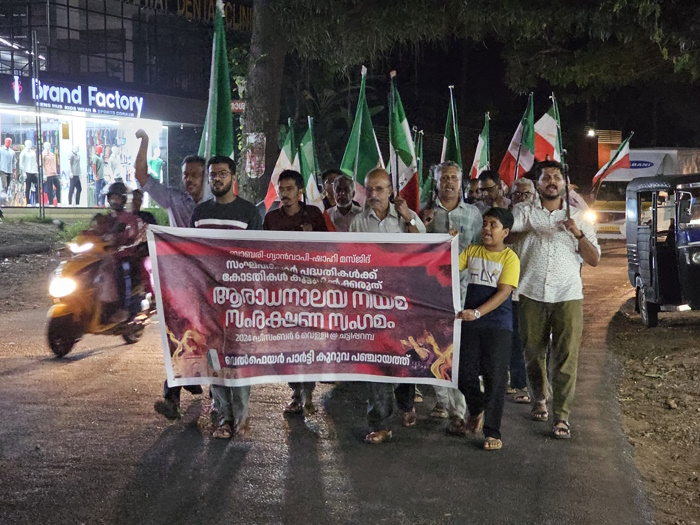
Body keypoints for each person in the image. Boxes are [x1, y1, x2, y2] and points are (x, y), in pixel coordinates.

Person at [511, 160, 600, 439]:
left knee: (566, 357)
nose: (552, 181)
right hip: (530, 291)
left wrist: (577, 233)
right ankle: (539, 396)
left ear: (565, 184)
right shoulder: (523, 212)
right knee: (532, 353)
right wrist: (529, 229)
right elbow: (504, 236)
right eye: (546, 177)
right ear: (537, 184)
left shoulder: (580, 217)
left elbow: (594, 259)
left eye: (557, 177)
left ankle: (562, 416)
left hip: (567, 294)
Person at [133, 129, 210, 420]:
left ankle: (218, 402)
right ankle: (172, 397)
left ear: (206, 177)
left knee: (211, 337)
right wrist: (145, 142)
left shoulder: (218, 205)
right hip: (181, 281)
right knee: (179, 335)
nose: (189, 180)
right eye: (185, 175)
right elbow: (142, 177)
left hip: (210, 282)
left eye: (195, 175)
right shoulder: (174, 199)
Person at [349, 168, 426, 444]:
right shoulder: (359, 222)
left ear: (391, 190)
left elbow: (425, 246)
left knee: (404, 352)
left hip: (403, 298)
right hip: (371, 301)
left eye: (380, 189)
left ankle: (406, 403)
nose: (374, 194)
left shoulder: (404, 216)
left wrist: (408, 218)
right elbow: (350, 257)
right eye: (369, 189)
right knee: (376, 360)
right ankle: (379, 422)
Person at [191, 155, 262, 439]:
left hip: (239, 301)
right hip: (209, 301)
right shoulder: (199, 213)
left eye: (222, 174)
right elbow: (192, 253)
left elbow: (257, 255)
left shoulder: (248, 213)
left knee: (239, 359)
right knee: (214, 359)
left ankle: (242, 419)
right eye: (212, 175)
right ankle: (223, 418)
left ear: (234, 177)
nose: (217, 179)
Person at [420, 161, 480, 431]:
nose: (449, 182)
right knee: (436, 348)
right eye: (444, 178)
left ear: (461, 182)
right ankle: (442, 402)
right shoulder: (426, 213)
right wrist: (423, 225)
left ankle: (460, 410)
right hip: (433, 292)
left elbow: (479, 249)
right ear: (436, 182)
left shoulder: (474, 215)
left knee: (459, 351)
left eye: (454, 177)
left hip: (464, 291)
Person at [264, 169, 327, 414]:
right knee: (285, 345)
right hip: (281, 292)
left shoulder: (314, 215)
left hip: (309, 291)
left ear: (300, 191)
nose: (284, 193)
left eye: (289, 189)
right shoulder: (271, 218)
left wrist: (312, 239)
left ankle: (307, 392)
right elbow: (263, 252)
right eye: (281, 189)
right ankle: (295, 390)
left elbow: (328, 250)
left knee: (307, 342)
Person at [456, 207, 519, 451]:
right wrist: (448, 245)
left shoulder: (510, 258)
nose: (486, 229)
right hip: (471, 322)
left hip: (498, 325)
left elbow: (503, 293)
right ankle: (476, 407)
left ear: (505, 232)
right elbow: (447, 268)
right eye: (484, 223)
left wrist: (478, 312)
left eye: (493, 225)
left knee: (495, 377)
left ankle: (492, 432)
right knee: (463, 373)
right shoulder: (472, 251)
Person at [91, 181, 146, 323]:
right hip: (107, 255)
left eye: (117, 198)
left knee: (122, 269)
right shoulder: (107, 218)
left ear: (123, 199)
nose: (114, 201)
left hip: (124, 255)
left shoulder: (130, 218)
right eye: (112, 198)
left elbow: (134, 236)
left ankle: (123, 308)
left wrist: (122, 243)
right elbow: (97, 232)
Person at [506, 177, 536, 404]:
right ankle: (520, 383)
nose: (522, 198)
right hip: (509, 289)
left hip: (534, 289)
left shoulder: (540, 217)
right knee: (515, 339)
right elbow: (507, 236)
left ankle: (539, 385)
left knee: (535, 340)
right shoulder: (506, 217)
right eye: (517, 194)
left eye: (526, 194)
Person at [19, 140, 39, 206]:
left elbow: (35, 162)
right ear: (25, 144)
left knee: (37, 186)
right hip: (27, 172)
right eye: (29, 143)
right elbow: (21, 163)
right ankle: (28, 202)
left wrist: (36, 171)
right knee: (28, 187)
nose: (30, 145)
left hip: (33, 172)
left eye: (31, 143)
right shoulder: (23, 153)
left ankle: (37, 201)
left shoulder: (33, 152)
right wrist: (23, 173)